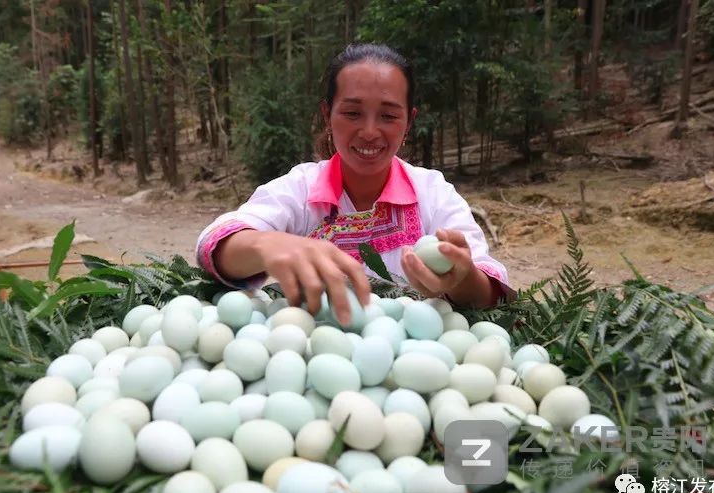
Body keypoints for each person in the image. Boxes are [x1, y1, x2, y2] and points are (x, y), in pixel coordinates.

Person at [196, 43, 513, 327]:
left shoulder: (433, 194)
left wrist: (460, 279)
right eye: (352, 113)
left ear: (409, 122)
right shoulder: (300, 190)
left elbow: (490, 291)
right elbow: (215, 245)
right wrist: (267, 245)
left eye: (388, 116)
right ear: (327, 115)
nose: (370, 131)